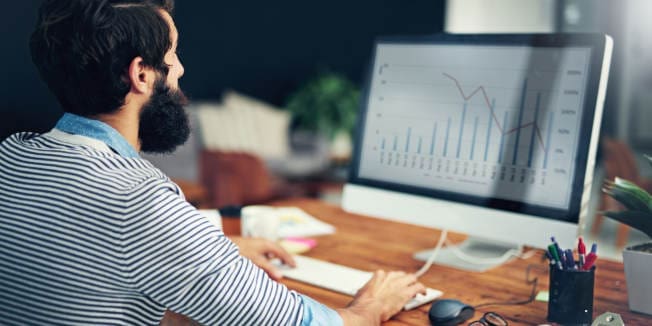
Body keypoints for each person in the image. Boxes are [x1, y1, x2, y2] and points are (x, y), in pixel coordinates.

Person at [0, 0, 426, 325]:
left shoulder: (13, 157)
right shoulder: (139, 198)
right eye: (173, 55)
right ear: (142, 75)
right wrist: (367, 308)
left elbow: (86, 249)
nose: (181, 69)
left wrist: (205, 249)